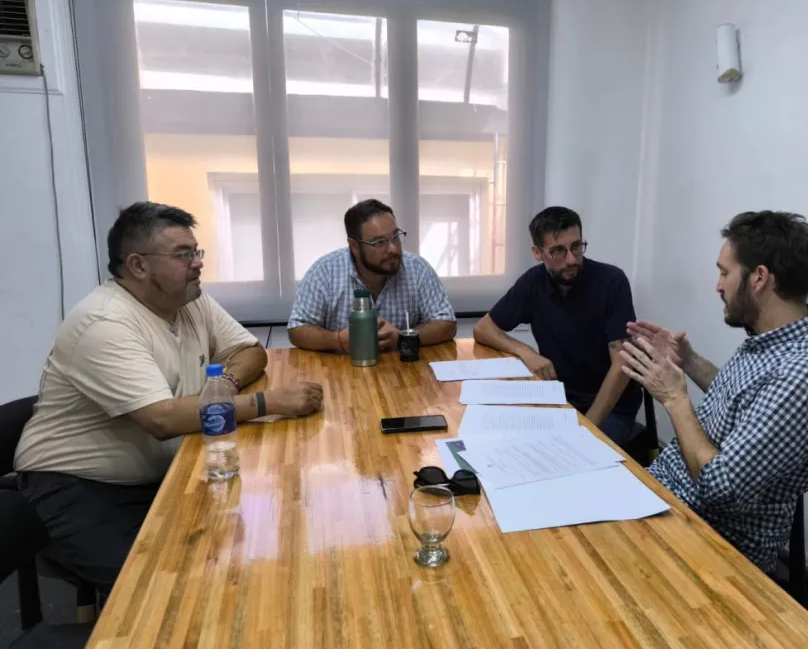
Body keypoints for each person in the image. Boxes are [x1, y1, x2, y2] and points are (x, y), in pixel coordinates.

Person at [15, 202, 324, 595]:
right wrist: (269, 403)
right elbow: (162, 419)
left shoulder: (189, 300)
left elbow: (250, 351)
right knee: (164, 593)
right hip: (78, 488)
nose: (197, 263)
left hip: (162, 473)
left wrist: (222, 388)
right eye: (183, 254)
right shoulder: (104, 322)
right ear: (138, 266)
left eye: (196, 251)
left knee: (248, 552)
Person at [619, 210, 808, 574]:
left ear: (759, 278)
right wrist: (689, 361)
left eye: (725, 273)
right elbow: (744, 404)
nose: (719, 285)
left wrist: (675, 399)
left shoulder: (803, 376)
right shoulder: (771, 341)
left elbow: (719, 490)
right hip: (666, 494)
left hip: (709, 539)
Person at [473, 207, 641, 445]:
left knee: (575, 453)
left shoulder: (611, 282)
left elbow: (622, 365)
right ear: (537, 253)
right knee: (502, 439)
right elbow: (483, 328)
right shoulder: (533, 282)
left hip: (610, 408)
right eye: (558, 251)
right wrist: (525, 352)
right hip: (557, 398)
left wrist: (586, 427)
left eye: (576, 247)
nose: (571, 259)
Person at [288, 199, 456, 352]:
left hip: (404, 369)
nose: (393, 249)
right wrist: (338, 340)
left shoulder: (417, 269)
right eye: (379, 242)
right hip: (343, 368)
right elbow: (297, 328)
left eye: (395, 237)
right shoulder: (325, 272)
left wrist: (403, 337)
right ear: (354, 246)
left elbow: (447, 323)